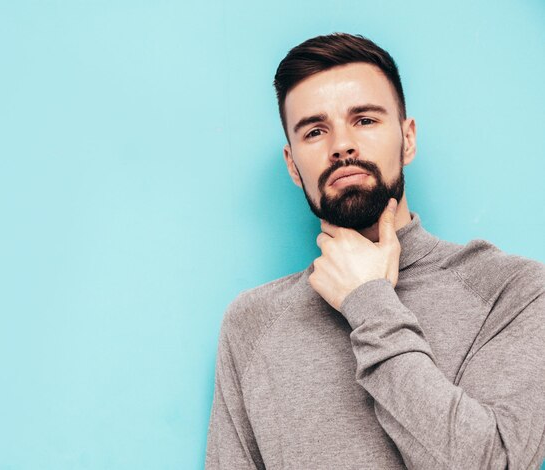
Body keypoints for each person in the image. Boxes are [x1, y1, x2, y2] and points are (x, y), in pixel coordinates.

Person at [204, 33, 545, 469]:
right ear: (292, 165)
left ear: (408, 139)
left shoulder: (511, 291)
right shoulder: (251, 323)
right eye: (315, 130)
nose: (341, 145)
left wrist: (368, 301)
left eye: (364, 120)